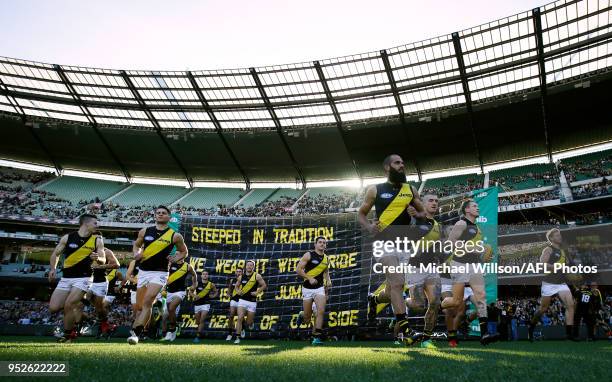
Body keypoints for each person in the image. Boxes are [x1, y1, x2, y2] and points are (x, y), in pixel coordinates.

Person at [359, 154, 426, 346]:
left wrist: (416, 213)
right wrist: (369, 227)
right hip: (384, 243)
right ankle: (407, 332)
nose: (402, 166)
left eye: (403, 163)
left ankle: (374, 299)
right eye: (397, 163)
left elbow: (422, 213)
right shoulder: (375, 190)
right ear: (387, 167)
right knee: (397, 283)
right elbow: (361, 214)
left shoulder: (411, 190)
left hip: (405, 245)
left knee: (392, 289)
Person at [127, 206, 188, 345]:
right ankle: (139, 329)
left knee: (148, 301)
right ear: (155, 216)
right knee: (140, 307)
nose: (160, 215)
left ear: (168, 217)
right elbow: (136, 246)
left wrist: (177, 258)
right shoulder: (145, 231)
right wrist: (136, 254)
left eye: (163, 213)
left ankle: (136, 334)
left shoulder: (175, 235)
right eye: (158, 213)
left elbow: (184, 252)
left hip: (160, 273)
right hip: (143, 272)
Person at [440, 199, 498, 345]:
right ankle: (439, 304)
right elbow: (450, 243)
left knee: (481, 296)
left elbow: (477, 250)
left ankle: (484, 334)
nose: (477, 208)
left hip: (474, 265)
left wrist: (484, 256)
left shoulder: (477, 227)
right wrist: (475, 249)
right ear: (467, 210)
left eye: (478, 206)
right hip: (459, 264)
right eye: (474, 206)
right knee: (456, 302)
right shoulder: (461, 223)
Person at [48, 214, 105, 343]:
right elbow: (55, 254)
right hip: (66, 278)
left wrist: (98, 258)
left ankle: (68, 335)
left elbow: (103, 260)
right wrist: (53, 269)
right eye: (95, 223)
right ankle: (79, 315)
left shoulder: (97, 240)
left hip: (84, 278)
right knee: (54, 308)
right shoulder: (68, 238)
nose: (98, 225)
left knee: (69, 304)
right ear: (86, 223)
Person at [404, 193, 442, 348]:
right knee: (418, 305)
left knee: (434, 302)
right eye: (430, 200)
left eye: (436, 201)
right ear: (422, 204)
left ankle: (427, 338)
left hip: (432, 268)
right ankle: (400, 302)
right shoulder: (414, 218)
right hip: (414, 267)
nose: (434, 203)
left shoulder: (437, 225)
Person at [528, 228, 576, 341]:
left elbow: (567, 265)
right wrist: (558, 266)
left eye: (560, 235)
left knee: (570, 305)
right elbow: (542, 264)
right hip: (549, 283)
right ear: (551, 238)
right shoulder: (548, 249)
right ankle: (531, 327)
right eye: (557, 235)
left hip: (561, 283)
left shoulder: (564, 251)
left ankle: (568, 335)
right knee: (543, 309)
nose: (560, 237)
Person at [296, 236, 332, 345]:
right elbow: (298, 270)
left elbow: (326, 273)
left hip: (319, 289)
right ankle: (302, 315)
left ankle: (316, 337)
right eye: (320, 242)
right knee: (307, 319)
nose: (322, 244)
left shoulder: (326, 259)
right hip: (307, 289)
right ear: (315, 244)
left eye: (324, 243)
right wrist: (310, 278)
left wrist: (328, 282)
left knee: (320, 311)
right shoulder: (308, 255)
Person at [161, 259, 197, 342]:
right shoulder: (170, 264)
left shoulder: (188, 266)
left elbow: (194, 275)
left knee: (171, 308)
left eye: (178, 254)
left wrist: (194, 284)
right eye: (175, 254)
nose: (176, 256)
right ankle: (174, 328)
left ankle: (171, 330)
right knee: (166, 314)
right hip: (168, 292)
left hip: (180, 291)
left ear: (183, 255)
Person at [233, 260, 266, 344]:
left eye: (251, 265)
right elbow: (236, 286)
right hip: (242, 300)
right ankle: (237, 337)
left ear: (253, 267)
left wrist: (257, 292)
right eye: (248, 265)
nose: (249, 266)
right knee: (240, 318)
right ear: (245, 266)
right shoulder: (241, 277)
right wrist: (238, 291)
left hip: (252, 301)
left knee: (249, 322)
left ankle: (250, 324)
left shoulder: (257, 276)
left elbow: (264, 285)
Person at [89, 248, 120, 337]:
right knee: (98, 308)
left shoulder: (117, 272)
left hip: (109, 292)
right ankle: (103, 325)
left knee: (103, 307)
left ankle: (102, 326)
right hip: (92, 282)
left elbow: (123, 278)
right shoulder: (88, 252)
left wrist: (119, 286)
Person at [191, 270, 219, 343]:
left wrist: (213, 296)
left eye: (206, 274)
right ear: (201, 276)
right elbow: (190, 291)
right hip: (197, 304)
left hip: (206, 304)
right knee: (198, 321)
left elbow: (216, 291)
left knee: (202, 319)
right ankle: (199, 332)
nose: (205, 275)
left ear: (208, 275)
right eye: (204, 274)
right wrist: (194, 295)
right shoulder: (197, 283)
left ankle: (198, 336)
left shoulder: (211, 284)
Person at [225, 268, 243, 341]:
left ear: (242, 272)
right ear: (235, 272)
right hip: (234, 299)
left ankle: (242, 328)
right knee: (231, 315)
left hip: (242, 300)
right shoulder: (232, 280)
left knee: (240, 316)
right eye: (237, 271)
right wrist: (228, 294)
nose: (238, 273)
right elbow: (229, 289)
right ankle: (230, 333)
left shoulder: (245, 280)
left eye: (240, 271)